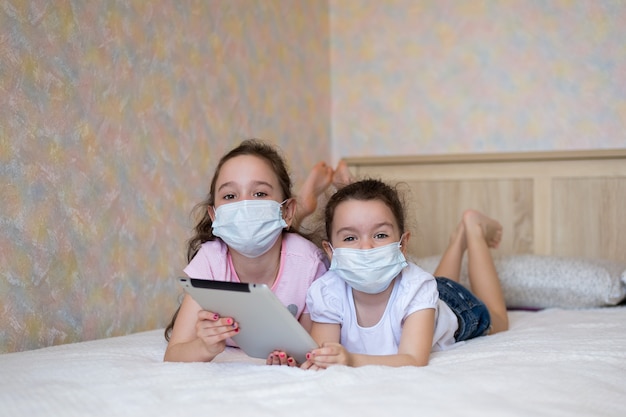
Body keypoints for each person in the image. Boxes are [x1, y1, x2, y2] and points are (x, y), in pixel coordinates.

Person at [301, 178, 509, 369]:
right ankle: (457, 240)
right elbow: (321, 355)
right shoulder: (327, 292)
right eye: (349, 238)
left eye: (380, 235)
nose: (366, 248)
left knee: (499, 320)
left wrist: (352, 360)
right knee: (435, 285)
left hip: (455, 306)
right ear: (330, 250)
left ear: (402, 244)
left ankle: (474, 230)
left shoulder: (418, 287)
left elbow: (413, 359)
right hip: (425, 298)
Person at [163, 139, 334, 363]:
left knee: (291, 241)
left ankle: (303, 201)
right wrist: (204, 347)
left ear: (286, 211)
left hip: (292, 240)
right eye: (230, 196)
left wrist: (298, 358)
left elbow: (312, 349)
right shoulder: (210, 261)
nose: (244, 207)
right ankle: (304, 200)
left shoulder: (309, 264)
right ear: (214, 216)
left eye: (260, 194)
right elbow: (174, 354)